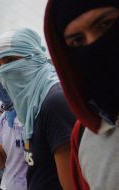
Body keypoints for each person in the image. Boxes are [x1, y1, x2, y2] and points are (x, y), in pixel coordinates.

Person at [44, 1, 119, 189]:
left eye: (105, 24)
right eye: (77, 40)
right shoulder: (87, 132)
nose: (94, 44)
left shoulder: (54, 104)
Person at [0, 28, 76, 190]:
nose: (3, 70)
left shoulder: (54, 102)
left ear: (34, 56)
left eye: (10, 60)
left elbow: (71, 184)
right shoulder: (33, 105)